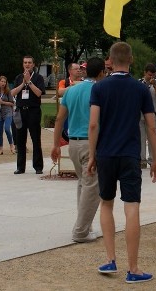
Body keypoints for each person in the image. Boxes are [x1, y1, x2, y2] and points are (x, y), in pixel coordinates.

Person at [87, 42, 156, 283]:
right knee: (132, 207)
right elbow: (151, 125)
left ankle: (110, 259)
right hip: (130, 154)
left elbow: (93, 124)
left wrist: (91, 155)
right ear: (131, 60)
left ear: (109, 60)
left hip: (106, 153)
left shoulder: (99, 88)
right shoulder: (140, 89)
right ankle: (133, 268)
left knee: (106, 204)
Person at [52, 57, 105, 243]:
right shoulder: (99, 90)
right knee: (91, 186)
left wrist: (55, 144)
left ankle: (86, 225)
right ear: (101, 73)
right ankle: (81, 231)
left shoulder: (72, 91)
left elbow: (59, 119)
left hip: (72, 143)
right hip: (89, 143)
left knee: (83, 184)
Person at [11, 55, 46, 175]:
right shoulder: (18, 77)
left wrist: (29, 82)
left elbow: (38, 93)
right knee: (20, 140)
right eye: (25, 62)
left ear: (33, 64)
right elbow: (12, 93)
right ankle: (20, 167)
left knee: (36, 139)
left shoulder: (38, 78)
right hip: (20, 111)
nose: (27, 65)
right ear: (23, 64)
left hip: (33, 111)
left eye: (29, 63)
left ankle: (38, 166)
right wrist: (23, 83)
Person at [139, 63, 156, 169]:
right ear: (145, 73)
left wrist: (154, 85)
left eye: (153, 75)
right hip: (140, 115)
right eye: (149, 75)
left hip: (153, 114)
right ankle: (142, 160)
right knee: (141, 138)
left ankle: (152, 159)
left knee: (151, 138)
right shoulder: (139, 83)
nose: (151, 77)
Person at [0, 76, 15, 154]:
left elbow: (12, 103)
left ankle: (11, 146)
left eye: (4, 82)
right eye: (1, 81)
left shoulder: (8, 92)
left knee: (7, 129)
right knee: (0, 131)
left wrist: (3, 102)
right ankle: (0, 149)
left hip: (7, 112)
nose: (3, 83)